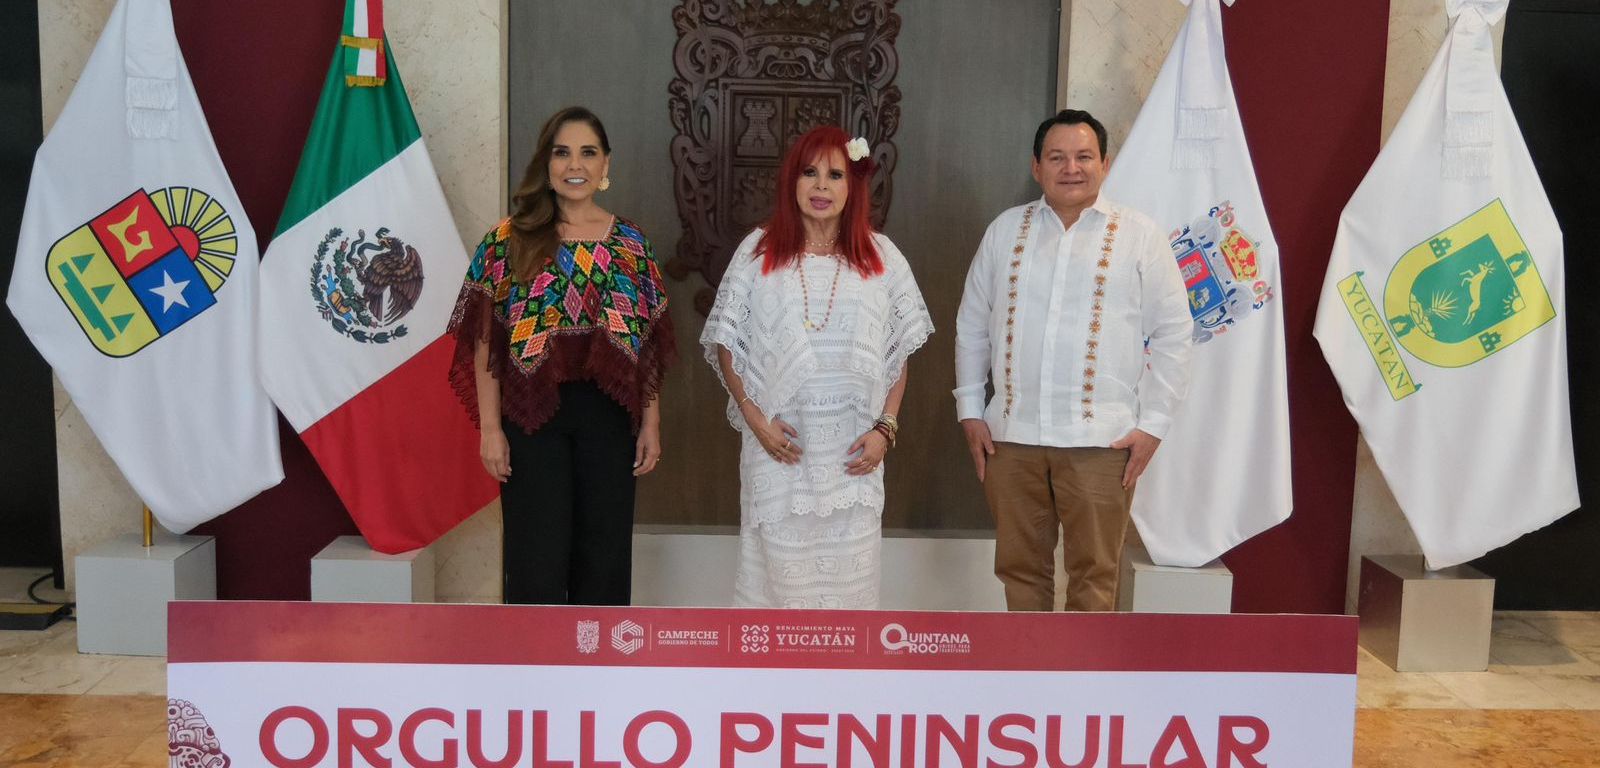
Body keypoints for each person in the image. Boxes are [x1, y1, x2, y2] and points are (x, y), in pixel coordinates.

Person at [954, 109, 1192, 612]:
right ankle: (1029, 665)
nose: (1071, 168)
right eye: (1057, 157)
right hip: (1012, 439)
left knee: (1095, 576)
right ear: (1036, 166)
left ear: (1105, 163)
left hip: (1101, 442)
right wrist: (970, 410)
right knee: (1020, 571)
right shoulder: (1005, 231)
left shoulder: (1140, 236)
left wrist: (1153, 424)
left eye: (1084, 156)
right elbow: (972, 324)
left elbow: (1174, 332)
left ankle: (1083, 669)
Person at [448, 106, 675, 605]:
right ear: (546, 163)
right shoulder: (508, 240)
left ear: (605, 164)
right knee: (536, 562)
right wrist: (490, 429)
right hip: (532, 417)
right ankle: (534, 657)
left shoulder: (630, 244)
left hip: (610, 417)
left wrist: (651, 422)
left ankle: (599, 655)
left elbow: (647, 344)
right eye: (562, 152)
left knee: (604, 560)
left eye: (588, 153)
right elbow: (485, 340)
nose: (575, 164)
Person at [702, 126, 933, 609]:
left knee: (848, 601)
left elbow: (897, 355)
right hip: (780, 453)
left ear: (854, 186)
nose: (821, 186)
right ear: (792, 182)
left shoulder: (882, 256)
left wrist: (885, 429)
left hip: (854, 457)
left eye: (835, 175)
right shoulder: (758, 252)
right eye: (809, 173)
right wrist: (755, 420)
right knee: (778, 599)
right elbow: (727, 342)